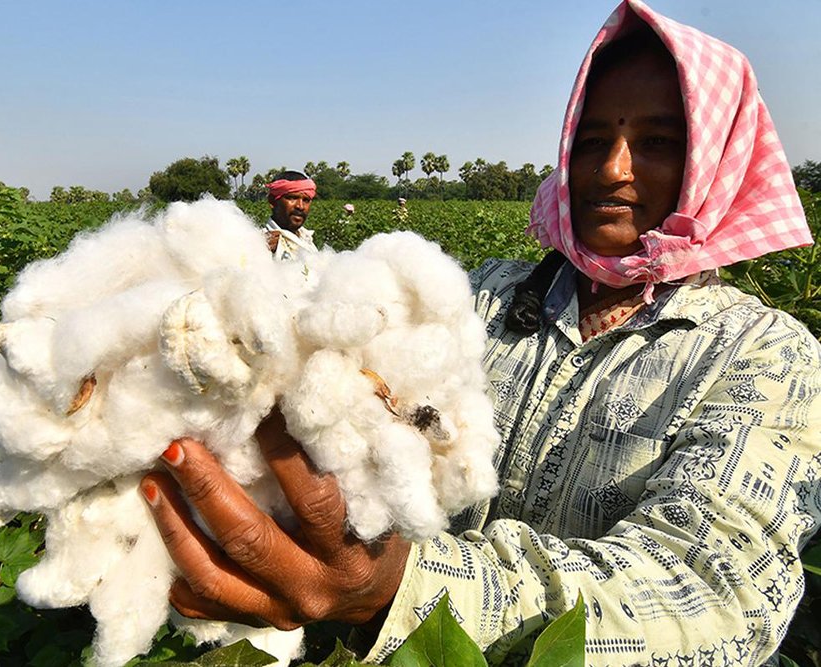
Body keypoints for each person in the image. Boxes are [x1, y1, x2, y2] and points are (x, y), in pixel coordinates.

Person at [139, 1, 821, 664]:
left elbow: (711, 592)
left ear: (716, 162)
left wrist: (400, 587)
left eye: (657, 143)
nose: (612, 169)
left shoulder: (766, 356)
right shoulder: (478, 294)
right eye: (591, 141)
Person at [263, 170, 318, 261]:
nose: (300, 206)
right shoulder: (262, 244)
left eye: (306, 200)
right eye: (292, 198)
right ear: (272, 201)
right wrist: (260, 248)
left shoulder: (307, 239)